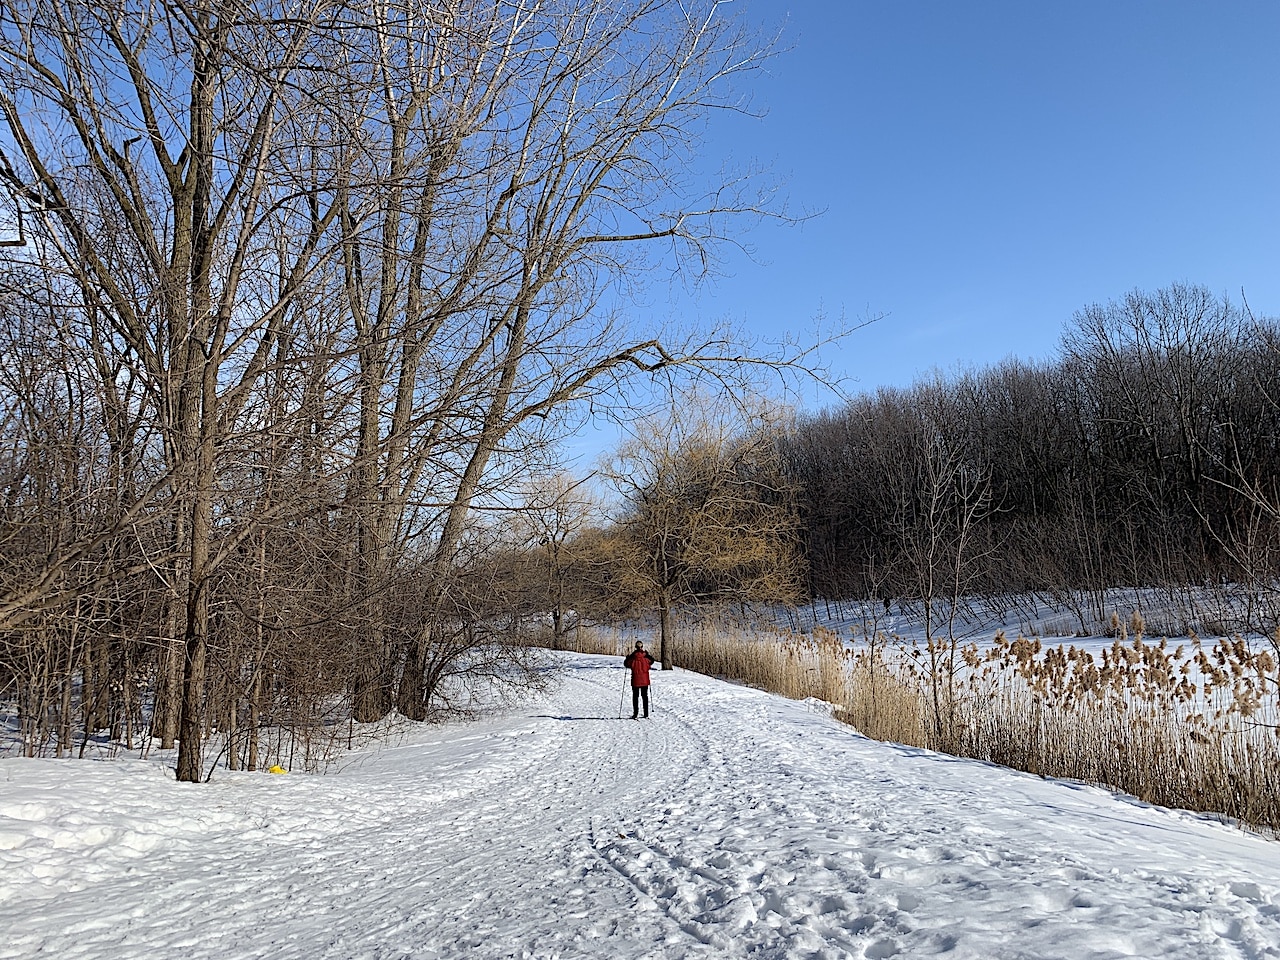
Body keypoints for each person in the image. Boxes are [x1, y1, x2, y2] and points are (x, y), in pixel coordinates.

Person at [623, 640, 655, 719]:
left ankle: (635, 713)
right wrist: (647, 654)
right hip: (645, 680)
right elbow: (652, 661)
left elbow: (626, 664)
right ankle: (646, 713)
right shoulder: (646, 657)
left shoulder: (633, 657)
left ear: (635, 647)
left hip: (635, 680)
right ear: (642, 646)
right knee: (645, 696)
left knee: (635, 697)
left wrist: (627, 657)